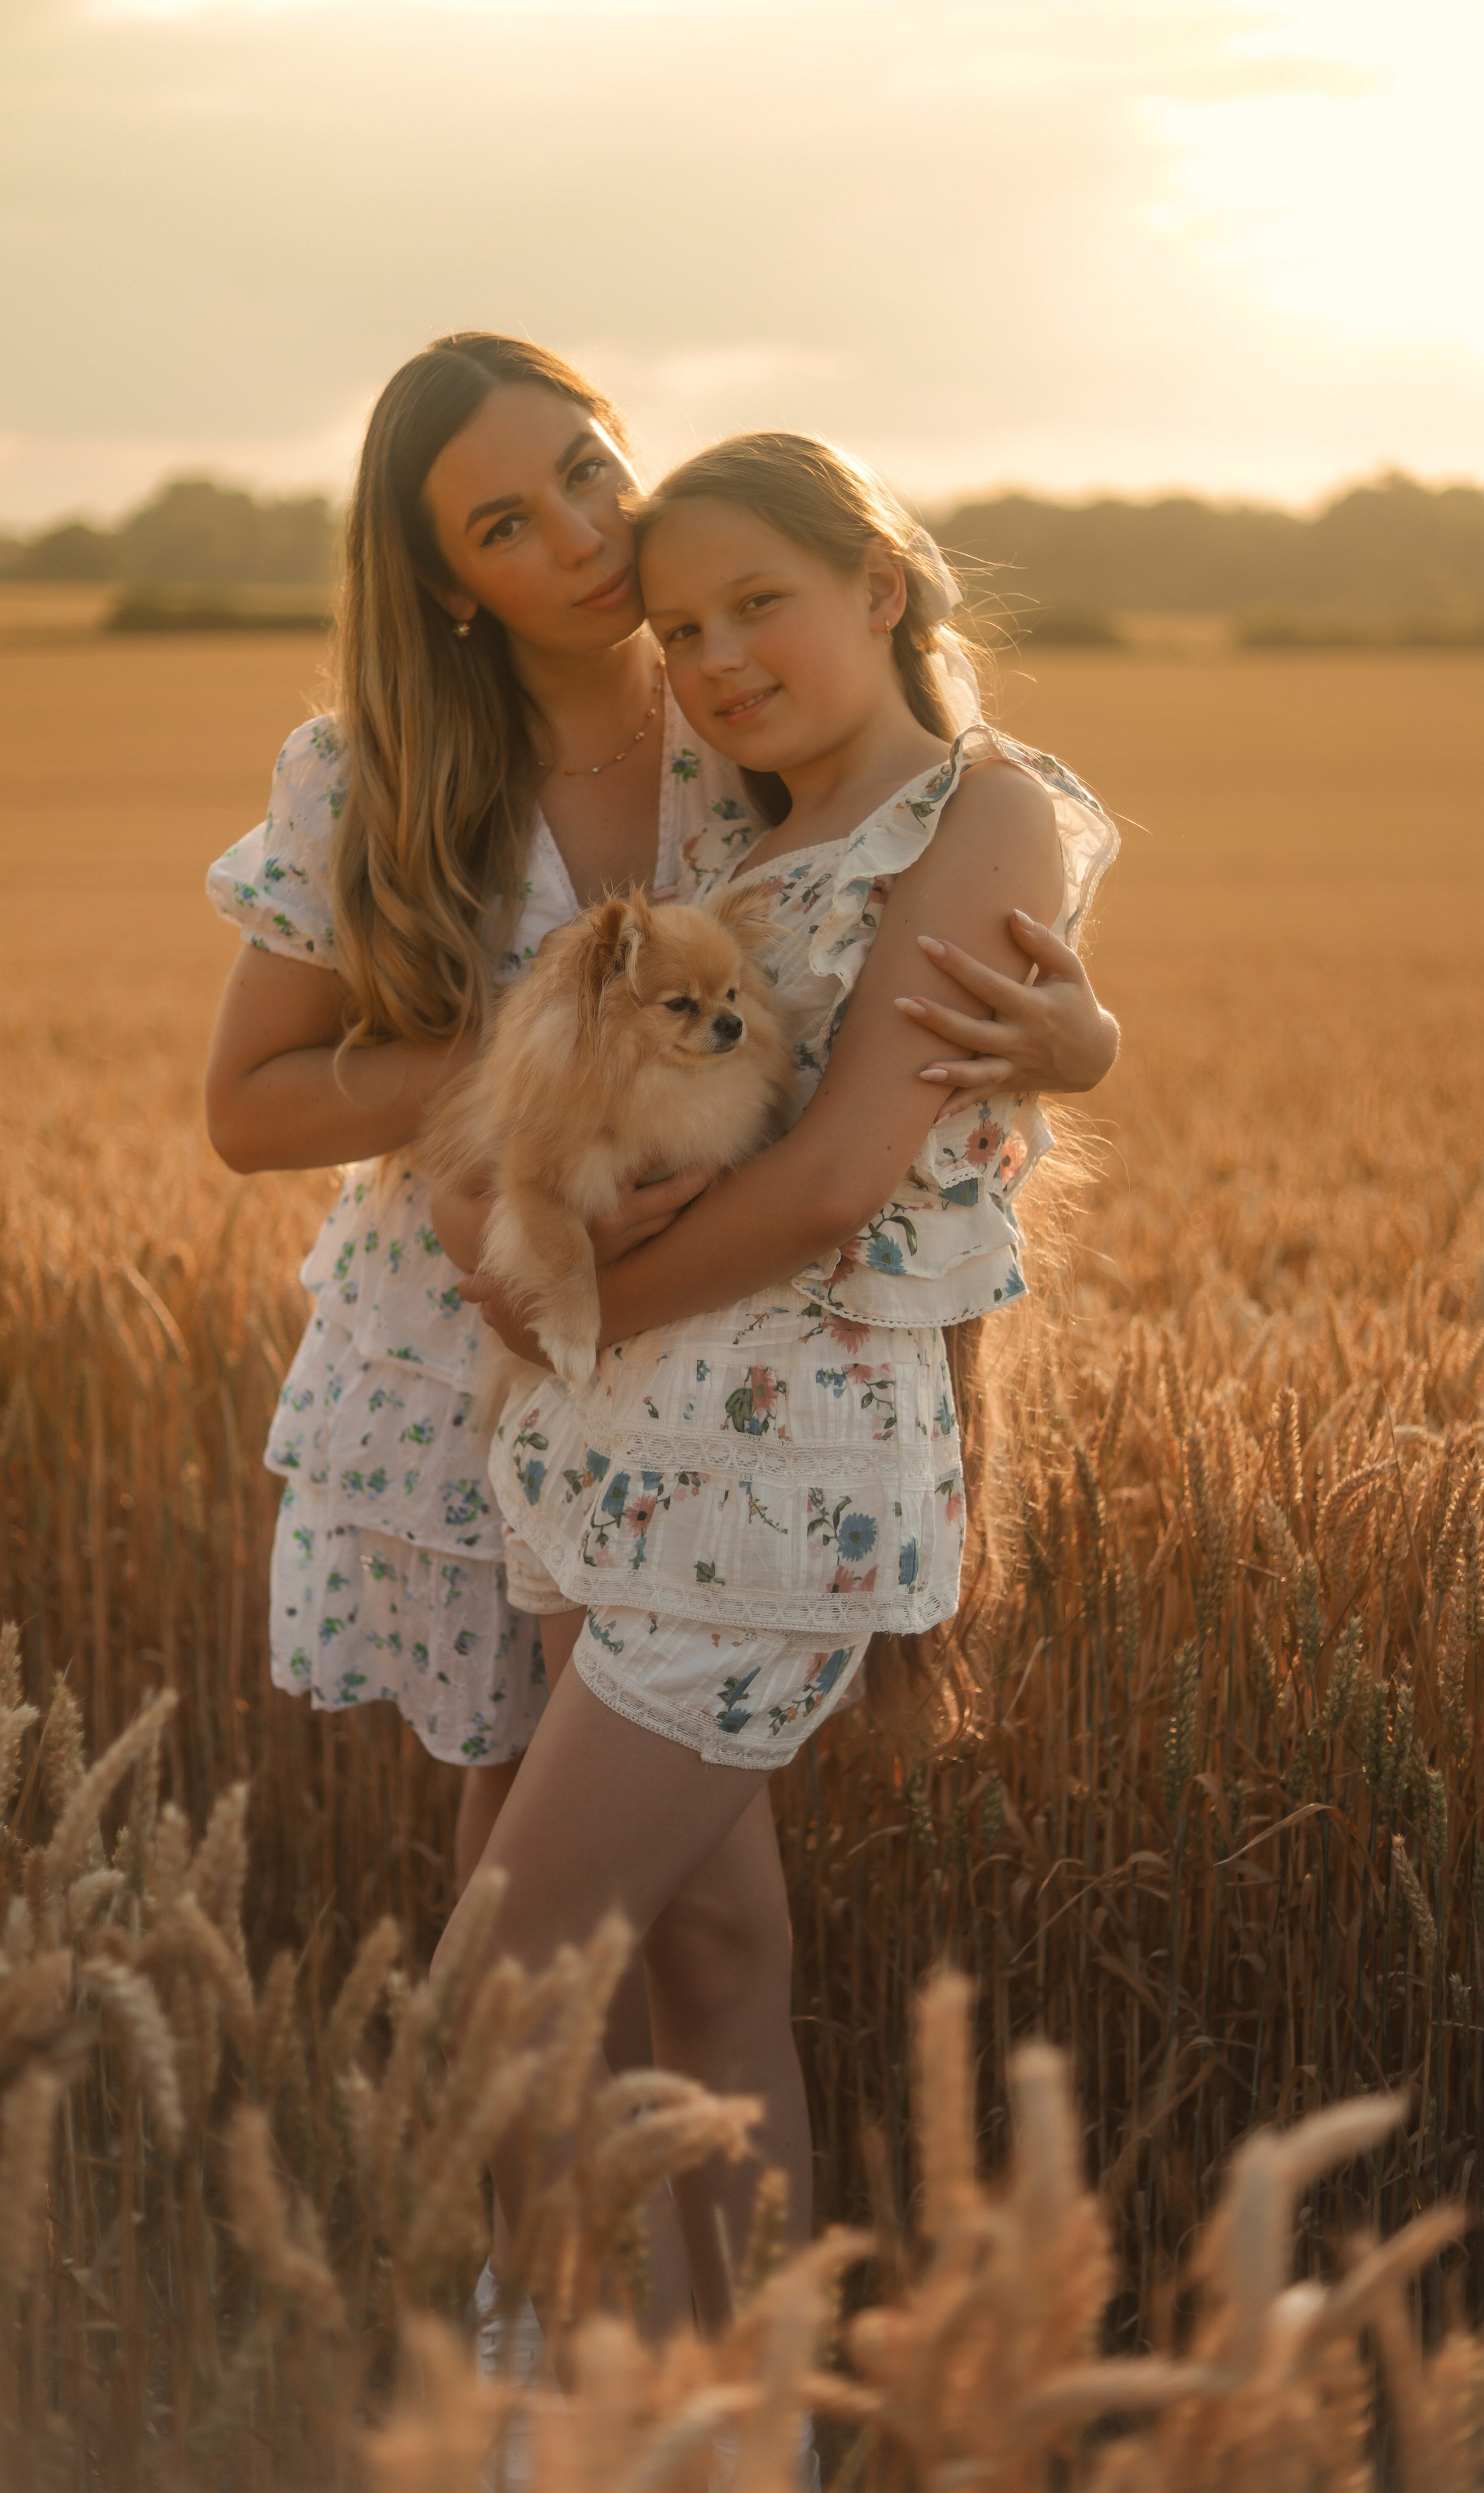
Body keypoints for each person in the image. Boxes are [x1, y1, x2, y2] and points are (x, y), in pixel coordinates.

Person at [203, 337, 1120, 1902]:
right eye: (502, 526)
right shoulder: (376, 778)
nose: (576, 536)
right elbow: (246, 1106)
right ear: (448, 588)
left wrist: (1082, 1042)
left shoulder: (754, 720)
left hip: (699, 1348)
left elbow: (919, 931)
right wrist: (538, 1068)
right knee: (522, 1826)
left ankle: (584, 2140)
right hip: (458, 1334)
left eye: (583, 470)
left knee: (670, 1909)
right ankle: (514, 2144)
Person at [434, 432, 1120, 2337]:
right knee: (712, 1945)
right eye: (682, 628)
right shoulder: (738, 836)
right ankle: (748, 2432)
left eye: (762, 605)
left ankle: (568, 2407)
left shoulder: (980, 809)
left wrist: (569, 1299)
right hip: (614, 1461)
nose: (719, 657)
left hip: (773, 1478)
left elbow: (834, 1182)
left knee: (515, 1963)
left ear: (881, 589)